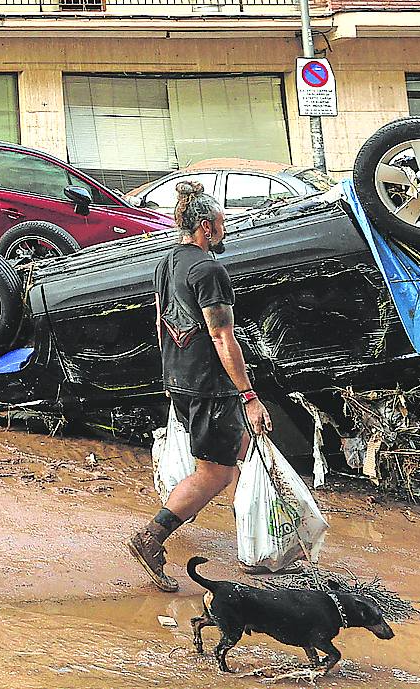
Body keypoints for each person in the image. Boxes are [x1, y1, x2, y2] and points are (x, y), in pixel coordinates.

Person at [126, 181, 274, 593]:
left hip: (180, 379)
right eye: (222, 223)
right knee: (217, 473)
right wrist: (249, 395)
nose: (225, 229)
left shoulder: (167, 262)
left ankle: (264, 529)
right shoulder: (209, 270)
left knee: (236, 453)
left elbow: (160, 322)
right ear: (207, 227)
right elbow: (222, 336)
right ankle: (151, 537)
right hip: (210, 385)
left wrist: (172, 376)